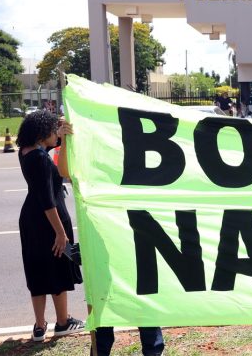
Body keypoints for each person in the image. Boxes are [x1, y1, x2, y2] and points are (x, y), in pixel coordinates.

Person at [54, 115, 165, 355]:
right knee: (102, 301)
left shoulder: (133, 160)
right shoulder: (88, 162)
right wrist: (65, 141)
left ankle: (153, 350)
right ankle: (100, 350)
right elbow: (64, 170)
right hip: (100, 243)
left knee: (143, 298)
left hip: (134, 240)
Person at [16, 111, 84, 342]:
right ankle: (63, 322)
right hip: (50, 221)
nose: (56, 134)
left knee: (36, 270)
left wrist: (62, 135)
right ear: (42, 133)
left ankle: (39, 326)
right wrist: (60, 233)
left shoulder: (26, 152)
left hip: (30, 220)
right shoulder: (42, 159)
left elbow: (50, 147)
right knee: (58, 268)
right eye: (53, 130)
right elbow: (48, 200)